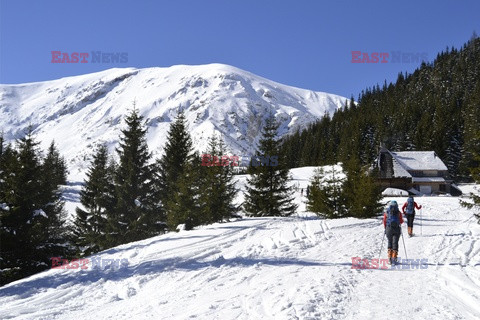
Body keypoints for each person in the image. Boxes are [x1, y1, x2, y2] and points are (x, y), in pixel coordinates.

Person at [383, 200, 404, 264]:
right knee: (395, 242)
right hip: (396, 229)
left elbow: (384, 221)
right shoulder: (398, 212)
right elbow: (401, 221)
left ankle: (389, 258)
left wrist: (386, 228)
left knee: (390, 242)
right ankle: (394, 258)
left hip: (389, 228)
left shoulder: (387, 212)